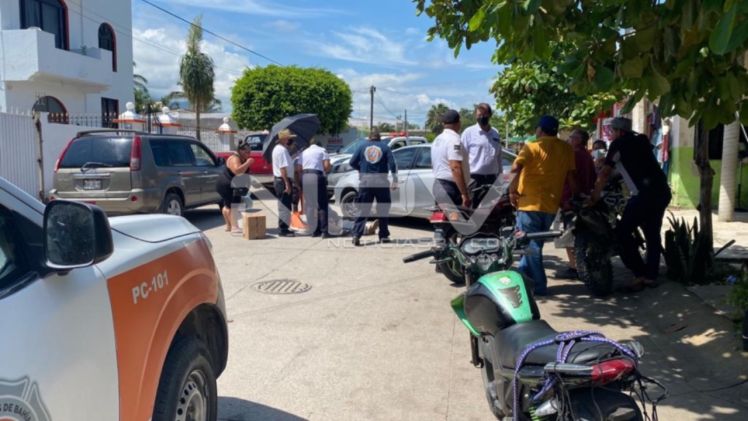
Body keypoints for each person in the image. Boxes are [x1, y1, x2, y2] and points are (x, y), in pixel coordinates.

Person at [589, 117, 672, 291]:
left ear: (619, 131)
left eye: (612, 131)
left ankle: (639, 272)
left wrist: (595, 195)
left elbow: (605, 173)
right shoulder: (642, 140)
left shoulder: (618, 144)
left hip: (644, 195)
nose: (611, 134)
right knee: (652, 233)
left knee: (621, 233)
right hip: (662, 192)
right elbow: (634, 166)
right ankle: (651, 276)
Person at [508, 116, 576, 296]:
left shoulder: (532, 146)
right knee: (531, 244)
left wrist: (511, 191)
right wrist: (572, 197)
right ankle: (522, 281)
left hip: (529, 204)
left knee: (531, 247)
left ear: (541, 130)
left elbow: (514, 169)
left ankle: (539, 286)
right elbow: (571, 177)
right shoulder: (567, 149)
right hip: (551, 206)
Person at [555, 129, 596, 279]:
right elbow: (593, 177)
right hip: (583, 197)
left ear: (578, 140)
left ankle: (575, 267)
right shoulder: (587, 155)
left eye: (572, 137)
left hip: (570, 199)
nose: (569, 140)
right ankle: (580, 265)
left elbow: (568, 177)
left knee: (568, 234)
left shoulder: (573, 155)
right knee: (577, 234)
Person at [349, 128, 398, 246]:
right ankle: (383, 236)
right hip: (381, 182)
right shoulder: (385, 147)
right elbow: (392, 164)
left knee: (363, 209)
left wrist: (360, 169)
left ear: (369, 138)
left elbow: (352, 162)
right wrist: (395, 179)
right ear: (379, 138)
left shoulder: (362, 146)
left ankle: (356, 235)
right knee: (383, 209)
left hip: (366, 181)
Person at [432, 109, 471, 211]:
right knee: (457, 219)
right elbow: (455, 167)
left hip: (438, 185)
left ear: (443, 124)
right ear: (458, 123)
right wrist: (464, 194)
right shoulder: (454, 140)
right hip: (451, 188)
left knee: (443, 219)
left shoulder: (437, 139)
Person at [460, 103, 502, 195]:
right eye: (479, 115)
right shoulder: (468, 132)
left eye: (484, 114)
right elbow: (462, 157)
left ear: (490, 115)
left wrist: (500, 178)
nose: (482, 117)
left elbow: (498, 157)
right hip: (474, 179)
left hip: (492, 179)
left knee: (492, 204)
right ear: (475, 116)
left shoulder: (495, 133)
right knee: (474, 204)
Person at [216, 138, 254, 233]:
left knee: (227, 205)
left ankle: (229, 226)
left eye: (249, 152)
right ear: (240, 150)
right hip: (227, 184)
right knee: (234, 205)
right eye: (246, 152)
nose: (248, 153)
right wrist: (248, 163)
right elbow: (237, 171)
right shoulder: (235, 158)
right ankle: (234, 227)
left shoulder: (242, 158)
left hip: (228, 184)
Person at [299, 137, 333, 237]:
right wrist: (328, 168)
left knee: (310, 205)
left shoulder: (303, 152)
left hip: (306, 177)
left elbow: (298, 168)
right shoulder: (322, 150)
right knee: (322, 204)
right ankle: (324, 231)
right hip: (317, 176)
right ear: (319, 144)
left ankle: (313, 230)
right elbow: (326, 166)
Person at [272, 129, 297, 237]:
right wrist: (287, 183)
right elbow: (282, 168)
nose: (289, 140)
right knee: (284, 206)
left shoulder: (280, 149)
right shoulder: (281, 150)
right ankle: (283, 229)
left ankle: (284, 227)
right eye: (288, 138)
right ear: (284, 138)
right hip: (282, 180)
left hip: (281, 180)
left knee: (285, 205)